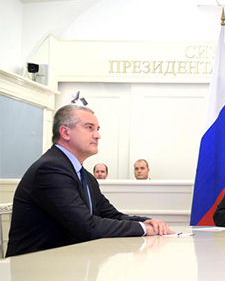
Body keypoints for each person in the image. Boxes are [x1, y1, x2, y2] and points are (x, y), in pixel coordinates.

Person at [6, 105, 172, 257]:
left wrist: (145, 222)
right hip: (36, 272)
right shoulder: (50, 169)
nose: (97, 135)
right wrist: (144, 229)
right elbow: (88, 227)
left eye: (97, 129)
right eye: (89, 128)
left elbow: (112, 215)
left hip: (69, 266)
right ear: (65, 132)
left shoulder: (85, 176)